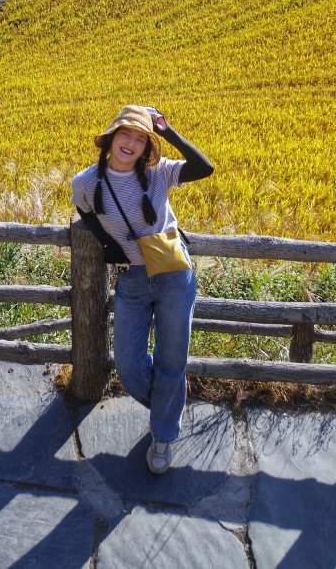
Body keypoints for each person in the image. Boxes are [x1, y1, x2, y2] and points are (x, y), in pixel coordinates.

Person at [71, 105, 213, 475]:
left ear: (148, 146)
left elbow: (204, 168)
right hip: (132, 280)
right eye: (126, 135)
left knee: (171, 361)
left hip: (172, 277)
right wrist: (107, 244)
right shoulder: (86, 183)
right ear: (111, 138)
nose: (131, 143)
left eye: (140, 138)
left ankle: (163, 436)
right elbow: (84, 211)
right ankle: (170, 406)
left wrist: (168, 131)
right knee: (129, 364)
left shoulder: (158, 174)